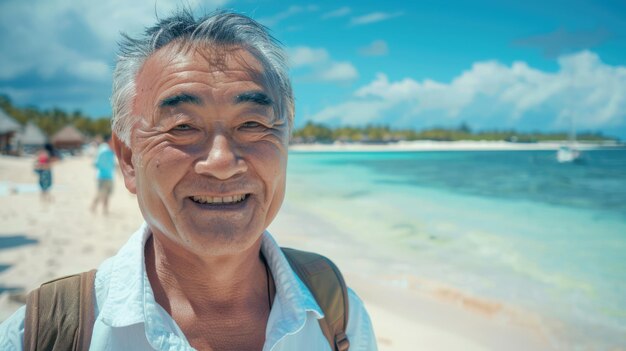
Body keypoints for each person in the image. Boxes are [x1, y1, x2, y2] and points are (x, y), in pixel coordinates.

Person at [0, 10, 376, 350]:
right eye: (182, 127)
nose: (222, 162)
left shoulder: (337, 314)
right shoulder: (44, 335)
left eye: (252, 124)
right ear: (128, 159)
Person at [90, 135, 116, 215]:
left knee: (107, 195)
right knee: (100, 194)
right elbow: (95, 163)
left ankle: (104, 210)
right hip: (102, 176)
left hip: (110, 176)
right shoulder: (104, 150)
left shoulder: (111, 151)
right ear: (109, 141)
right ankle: (93, 207)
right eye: (112, 141)